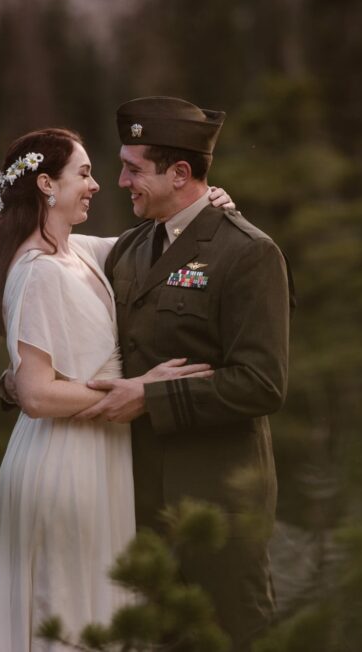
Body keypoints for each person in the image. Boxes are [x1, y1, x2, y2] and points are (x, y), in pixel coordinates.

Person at [0, 127, 235, 651]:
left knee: (95, 611)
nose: (97, 186)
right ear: (46, 184)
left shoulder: (76, 252)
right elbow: (37, 394)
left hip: (96, 459)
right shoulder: (38, 270)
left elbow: (156, 244)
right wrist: (136, 389)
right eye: (85, 173)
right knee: (66, 611)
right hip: (64, 464)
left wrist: (209, 207)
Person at [74, 97, 293, 650]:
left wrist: (154, 398)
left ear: (179, 173)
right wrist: (22, 385)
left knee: (238, 637)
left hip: (220, 501)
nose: (120, 180)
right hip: (139, 498)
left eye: (132, 168)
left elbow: (263, 383)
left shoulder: (248, 253)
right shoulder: (128, 248)